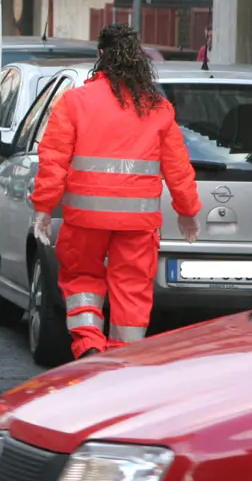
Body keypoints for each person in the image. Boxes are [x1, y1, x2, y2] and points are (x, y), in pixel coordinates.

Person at [29, 23, 201, 360]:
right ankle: (124, 357)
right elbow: (178, 169)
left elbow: (53, 160)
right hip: (137, 224)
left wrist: (44, 208)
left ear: (100, 56)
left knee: (82, 280)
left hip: (85, 219)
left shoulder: (75, 102)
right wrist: (188, 212)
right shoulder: (157, 108)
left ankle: (89, 344)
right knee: (132, 289)